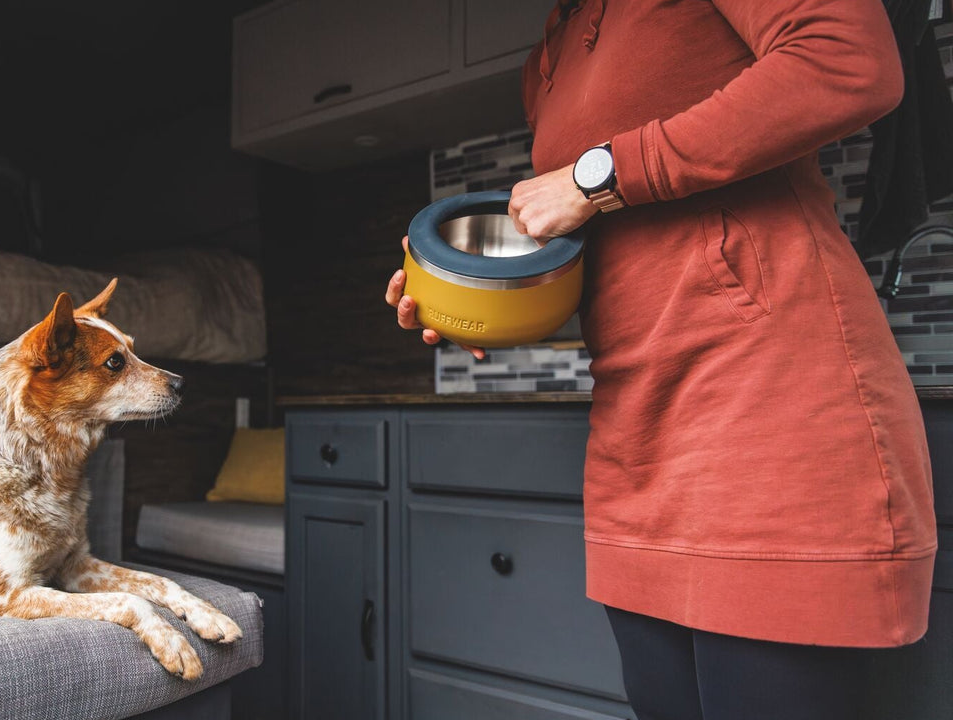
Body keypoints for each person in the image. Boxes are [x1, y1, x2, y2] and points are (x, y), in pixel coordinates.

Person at [384, 1, 938, 718]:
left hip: (767, 407)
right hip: (635, 433)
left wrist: (593, 175)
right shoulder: (547, 59)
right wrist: (466, 297)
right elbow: (620, 249)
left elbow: (847, 57)